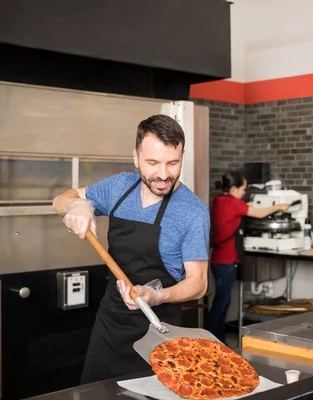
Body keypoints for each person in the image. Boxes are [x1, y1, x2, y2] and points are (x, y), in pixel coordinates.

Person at [52, 114, 210, 384]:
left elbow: (199, 283)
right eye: (152, 163)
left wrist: (157, 295)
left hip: (161, 333)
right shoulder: (119, 187)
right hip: (110, 325)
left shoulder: (193, 211)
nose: (163, 174)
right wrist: (78, 205)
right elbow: (60, 199)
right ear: (136, 157)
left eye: (173, 163)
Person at [207, 171, 290, 343]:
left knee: (220, 303)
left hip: (217, 260)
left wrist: (248, 204)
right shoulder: (234, 203)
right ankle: (212, 342)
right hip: (227, 261)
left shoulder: (219, 201)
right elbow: (259, 214)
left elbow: (236, 213)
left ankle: (218, 341)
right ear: (234, 188)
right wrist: (279, 207)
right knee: (221, 305)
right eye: (243, 189)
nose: (244, 192)